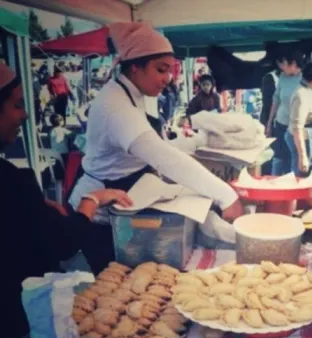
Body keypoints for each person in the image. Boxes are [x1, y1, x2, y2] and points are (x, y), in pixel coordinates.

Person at [70, 22, 243, 274]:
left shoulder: (136, 94)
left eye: (170, 70)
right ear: (135, 66)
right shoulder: (115, 106)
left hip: (131, 197)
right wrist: (225, 195)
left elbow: (158, 144)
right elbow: (163, 157)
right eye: (161, 70)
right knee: (119, 288)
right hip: (102, 214)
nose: (168, 78)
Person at [0, 62, 132, 338]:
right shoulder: (12, 183)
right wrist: (93, 200)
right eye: (17, 104)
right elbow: (63, 241)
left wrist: (35, 207)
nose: (25, 116)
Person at [265, 50, 305, 175]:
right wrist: (269, 123)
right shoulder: (282, 78)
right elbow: (276, 100)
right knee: (278, 159)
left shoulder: (305, 79)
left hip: (296, 128)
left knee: (293, 159)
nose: (281, 68)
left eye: (283, 64)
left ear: (293, 64)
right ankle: (273, 185)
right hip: (281, 124)